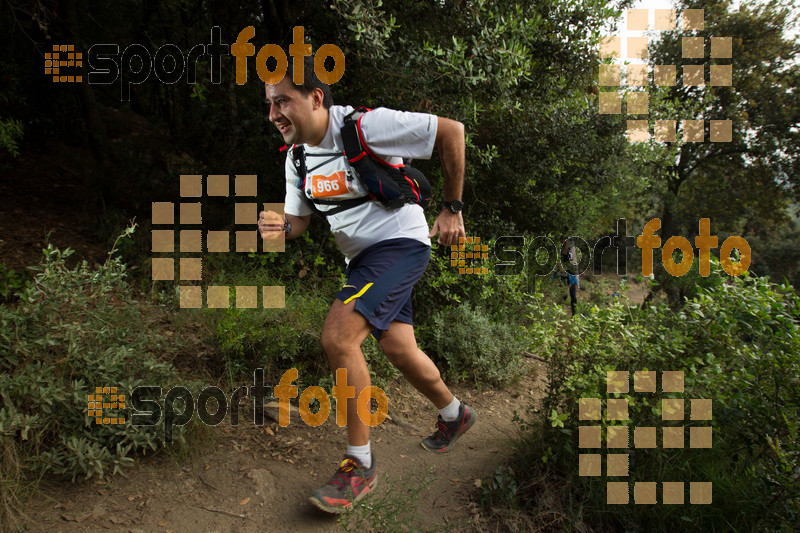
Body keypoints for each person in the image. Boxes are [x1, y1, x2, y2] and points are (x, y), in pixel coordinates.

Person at [257, 56, 475, 514]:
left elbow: (451, 131)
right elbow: (299, 221)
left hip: (401, 243)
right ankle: (455, 414)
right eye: (269, 105)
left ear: (315, 97)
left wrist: (452, 207)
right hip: (362, 261)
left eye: (282, 102)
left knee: (339, 337)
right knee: (399, 348)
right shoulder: (297, 158)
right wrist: (281, 227)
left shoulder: (365, 127)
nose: (273, 115)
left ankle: (360, 464)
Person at [557, 236, 580, 316]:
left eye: (566, 240)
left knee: (573, 295)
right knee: (563, 294)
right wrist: (561, 269)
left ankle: (574, 314)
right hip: (562, 274)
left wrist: (576, 275)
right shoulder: (559, 251)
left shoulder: (571, 251)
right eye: (563, 240)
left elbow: (574, 262)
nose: (565, 241)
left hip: (571, 275)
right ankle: (558, 313)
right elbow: (557, 264)